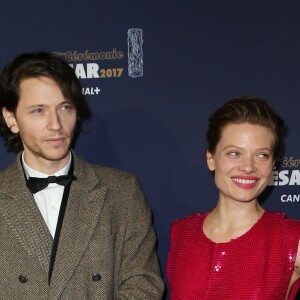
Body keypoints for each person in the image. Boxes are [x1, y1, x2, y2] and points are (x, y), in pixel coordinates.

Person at [0, 52, 164, 299]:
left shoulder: (122, 191)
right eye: (38, 111)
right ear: (11, 119)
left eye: (65, 107)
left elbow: (144, 285)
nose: (56, 124)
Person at [167, 96, 300, 299]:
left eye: (262, 155)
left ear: (273, 163)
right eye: (234, 153)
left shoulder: (290, 239)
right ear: (211, 159)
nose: (248, 166)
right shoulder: (182, 233)